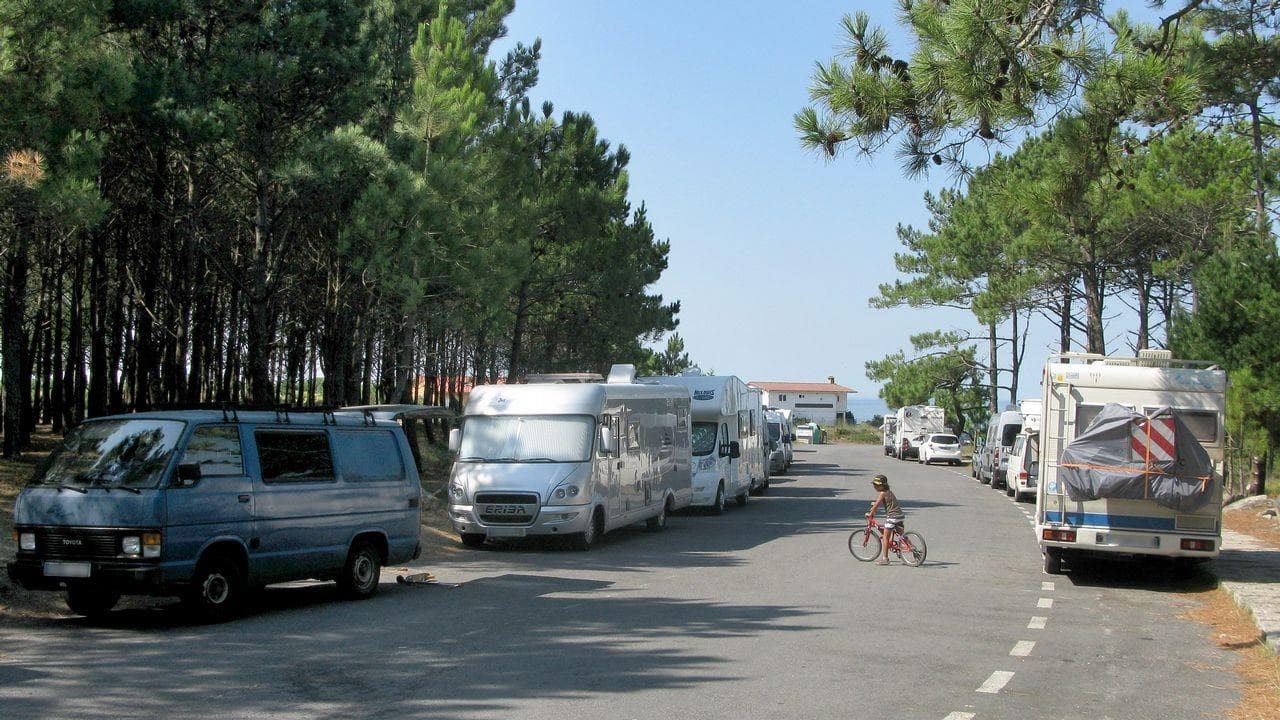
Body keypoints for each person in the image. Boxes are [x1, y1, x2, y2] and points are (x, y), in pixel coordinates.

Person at [866, 473, 905, 565]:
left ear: (881, 486)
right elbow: (882, 503)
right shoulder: (889, 492)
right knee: (901, 535)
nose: (874, 487)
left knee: (885, 537)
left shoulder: (882, 493)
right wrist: (874, 505)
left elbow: (876, 505)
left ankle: (885, 559)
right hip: (899, 515)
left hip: (892, 517)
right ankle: (911, 547)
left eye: (876, 485)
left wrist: (870, 514)